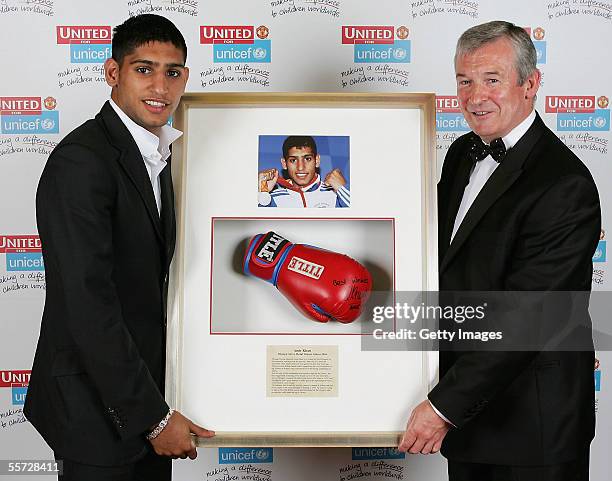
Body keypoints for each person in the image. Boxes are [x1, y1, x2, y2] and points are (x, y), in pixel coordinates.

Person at [398, 21, 600, 481]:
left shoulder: (563, 182)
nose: (474, 96)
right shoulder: (462, 153)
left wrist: (443, 406)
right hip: (470, 421)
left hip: (532, 430)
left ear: (530, 84)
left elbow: (530, 316)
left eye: (492, 80)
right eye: (464, 81)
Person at [24, 14, 214, 481]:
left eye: (173, 73)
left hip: (142, 400)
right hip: (96, 410)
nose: (160, 86)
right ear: (113, 73)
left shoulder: (156, 155)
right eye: (143, 69)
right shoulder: (81, 161)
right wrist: (154, 418)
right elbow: (89, 304)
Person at [257, 135, 350, 207]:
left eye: (307, 159)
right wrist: (263, 193)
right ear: (284, 163)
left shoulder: (335, 194)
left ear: (317, 160)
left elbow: (359, 218)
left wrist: (342, 189)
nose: (300, 167)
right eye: (293, 160)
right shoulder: (275, 198)